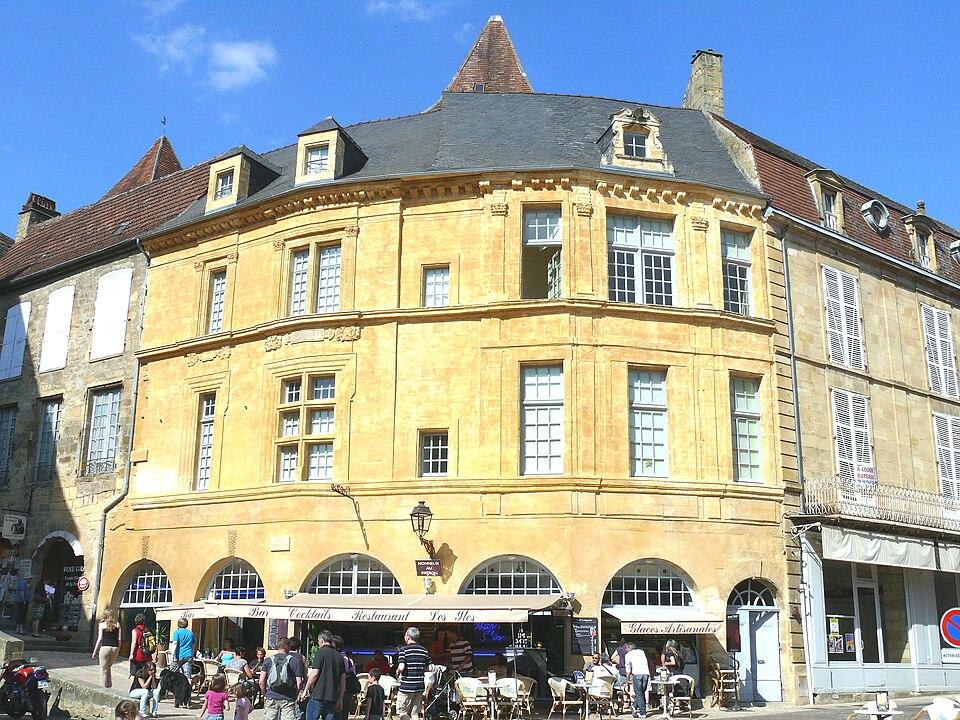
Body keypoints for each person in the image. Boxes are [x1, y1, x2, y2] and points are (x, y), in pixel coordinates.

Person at [301, 629, 345, 720]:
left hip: (318, 695)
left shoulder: (320, 652)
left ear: (321, 640)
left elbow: (314, 674)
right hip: (332, 697)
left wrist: (305, 690)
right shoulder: (339, 657)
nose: (318, 643)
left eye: (318, 641)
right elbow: (343, 679)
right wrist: (340, 698)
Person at [260, 637, 305, 720]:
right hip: (288, 697)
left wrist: (264, 693)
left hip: (271, 696)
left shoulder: (268, 660)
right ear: (287, 646)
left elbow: (261, 680)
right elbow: (299, 682)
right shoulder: (294, 661)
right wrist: (296, 694)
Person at [395, 626, 430, 720]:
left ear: (408, 637)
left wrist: (397, 672)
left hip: (407, 686)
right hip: (419, 686)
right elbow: (429, 668)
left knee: (402, 712)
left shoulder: (404, 650)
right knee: (414, 713)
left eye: (405, 635)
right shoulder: (424, 650)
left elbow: (401, 667)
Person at [92, 608, 122, 688]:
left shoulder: (102, 625)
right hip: (114, 647)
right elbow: (119, 639)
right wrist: (118, 649)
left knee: (103, 670)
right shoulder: (117, 624)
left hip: (105, 647)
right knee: (108, 667)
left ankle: (103, 688)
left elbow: (100, 639)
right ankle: (109, 685)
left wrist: (95, 651)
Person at [129, 613, 153, 689]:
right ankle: (147, 687)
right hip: (147, 655)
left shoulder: (135, 630)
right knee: (146, 672)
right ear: (144, 621)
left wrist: (131, 654)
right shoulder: (147, 630)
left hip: (138, 655)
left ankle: (135, 688)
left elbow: (134, 642)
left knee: (137, 673)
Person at [624, 642, 649, 718]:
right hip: (646, 674)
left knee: (639, 693)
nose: (625, 649)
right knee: (641, 693)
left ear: (628, 647)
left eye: (626, 648)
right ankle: (635, 706)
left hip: (637, 674)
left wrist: (627, 680)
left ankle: (642, 712)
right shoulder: (641, 652)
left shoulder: (627, 655)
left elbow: (628, 669)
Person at [171, 618, 195, 684]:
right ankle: (188, 691)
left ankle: (169, 690)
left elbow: (175, 644)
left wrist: (173, 655)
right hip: (188, 656)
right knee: (187, 676)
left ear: (178, 624)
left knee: (172, 673)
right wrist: (192, 656)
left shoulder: (177, 632)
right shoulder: (191, 633)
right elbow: (193, 646)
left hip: (179, 656)